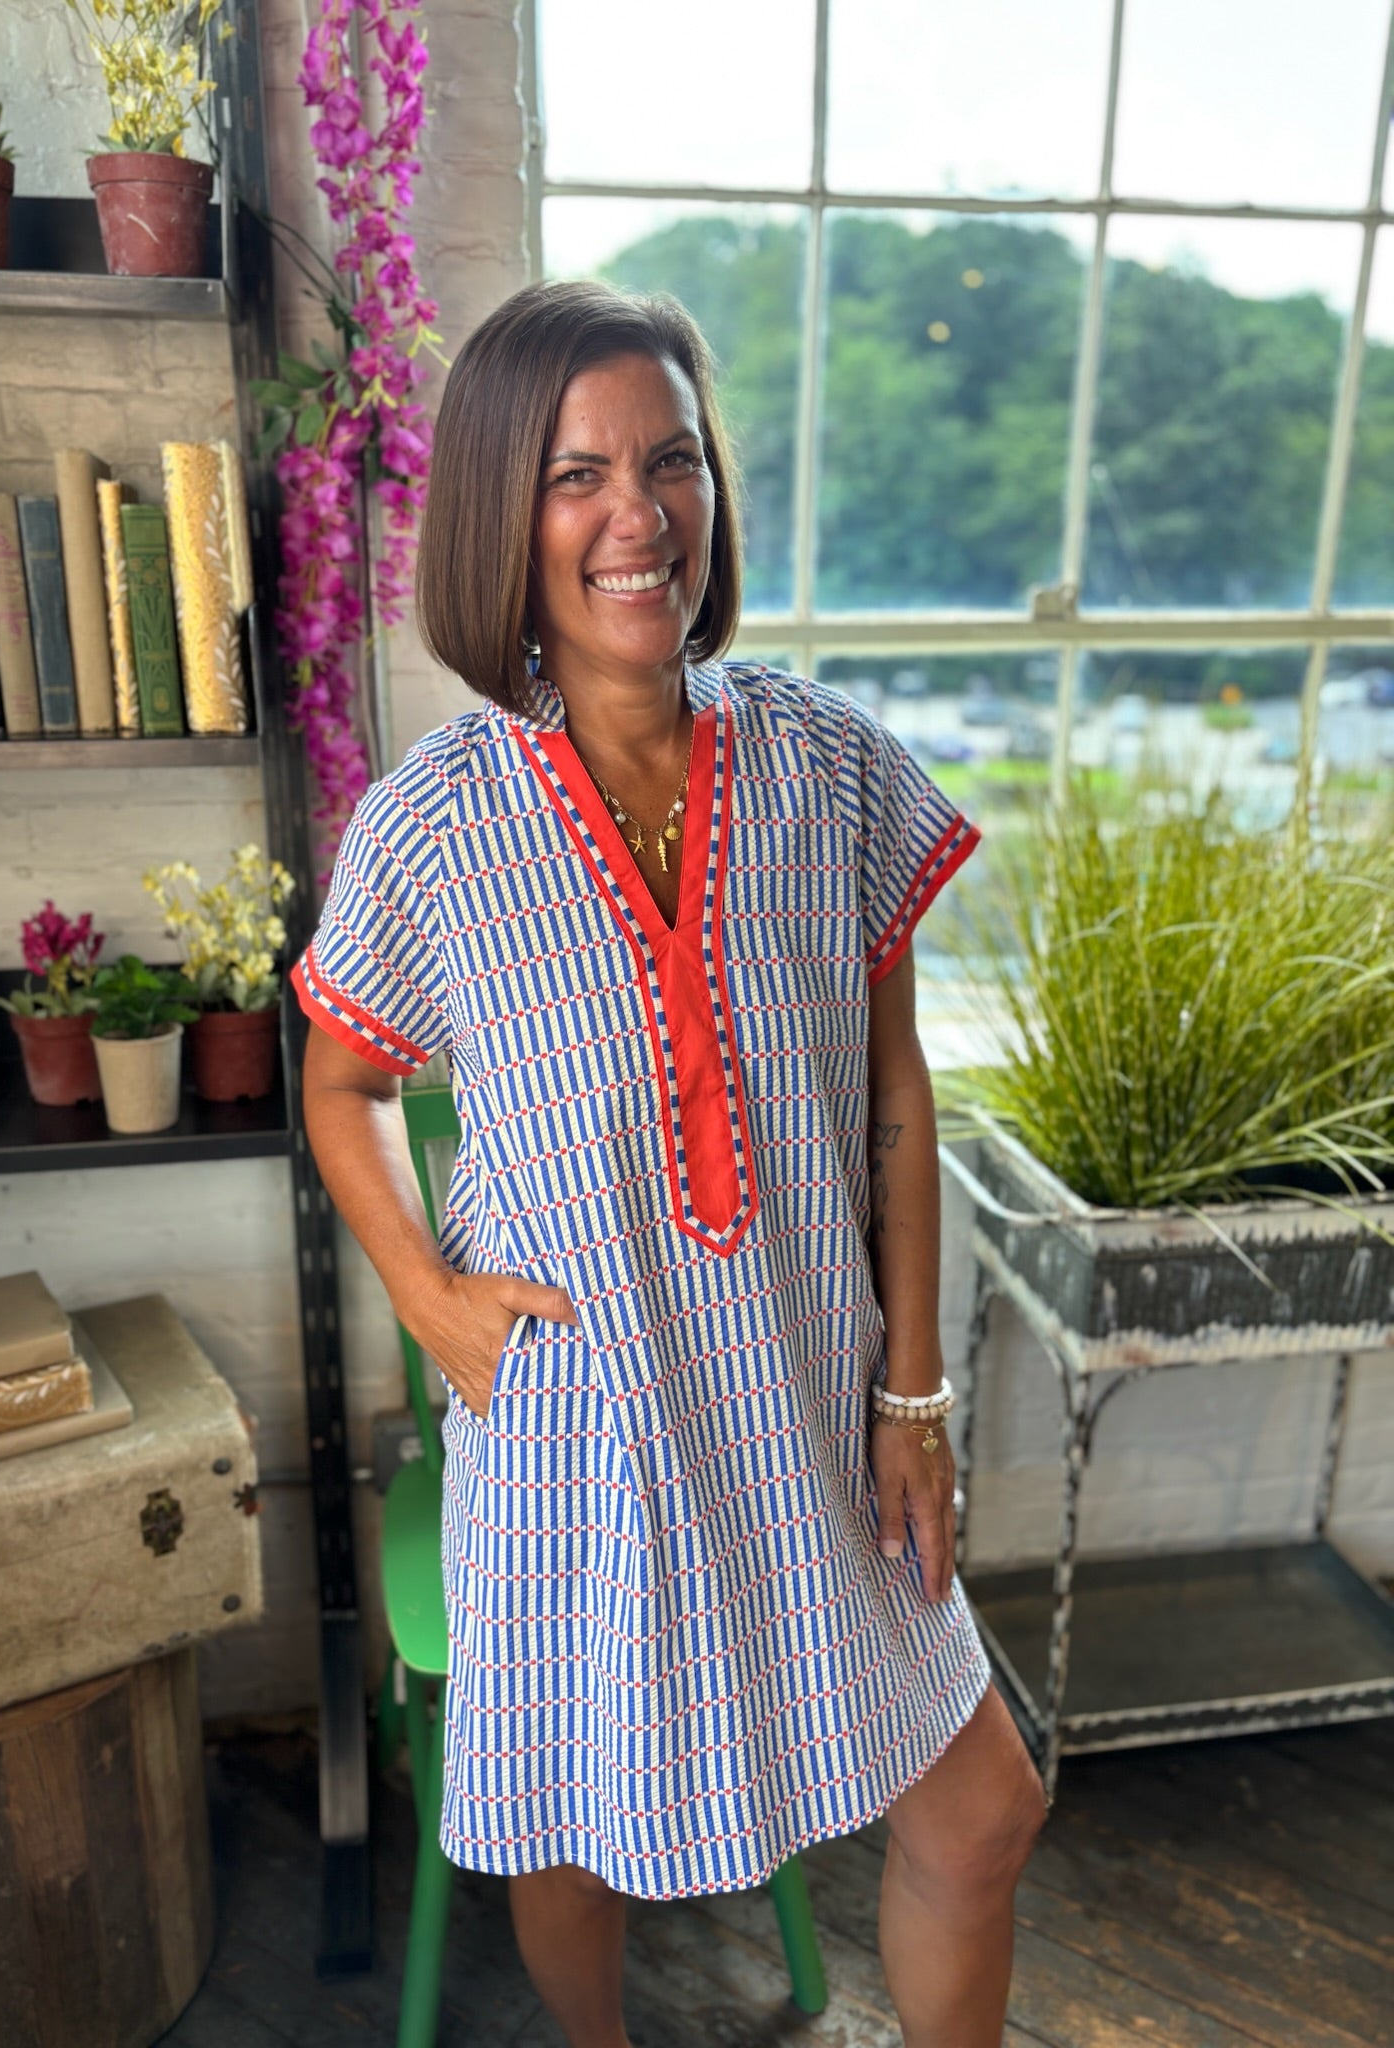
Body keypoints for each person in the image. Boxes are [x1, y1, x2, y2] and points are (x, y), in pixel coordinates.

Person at [294, 278, 1046, 2048]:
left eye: (673, 462)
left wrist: (915, 1395)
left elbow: (896, 1089)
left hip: (810, 1398)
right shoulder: (433, 823)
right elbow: (342, 1085)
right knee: (571, 1834)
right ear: (505, 512)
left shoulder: (821, 765)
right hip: (584, 1421)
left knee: (980, 1809)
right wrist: (429, 1295)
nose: (639, 514)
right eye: (579, 474)